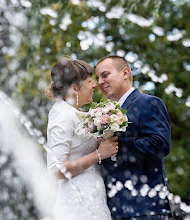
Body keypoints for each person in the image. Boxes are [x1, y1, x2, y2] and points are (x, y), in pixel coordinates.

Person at [95, 55, 173, 220]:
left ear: (125, 73)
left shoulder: (149, 103)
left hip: (145, 208)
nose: (100, 82)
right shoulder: (104, 114)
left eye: (105, 75)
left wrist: (117, 145)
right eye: (97, 78)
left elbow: (160, 145)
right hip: (114, 209)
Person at [45, 58, 119, 220]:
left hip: (94, 196)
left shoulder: (76, 114)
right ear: (75, 88)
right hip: (77, 202)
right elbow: (56, 170)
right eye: (90, 81)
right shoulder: (62, 115)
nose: (95, 85)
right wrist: (98, 155)